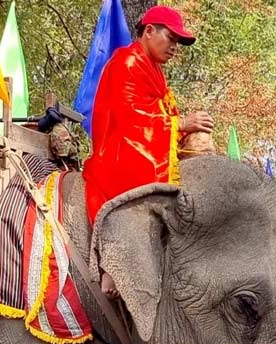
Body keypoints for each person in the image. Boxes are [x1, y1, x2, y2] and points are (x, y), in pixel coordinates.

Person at [83, 6, 214, 298]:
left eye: (179, 42)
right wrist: (182, 123)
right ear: (150, 30)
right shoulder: (126, 63)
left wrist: (188, 133)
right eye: (171, 38)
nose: (175, 47)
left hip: (143, 148)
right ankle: (113, 265)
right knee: (140, 201)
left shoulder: (153, 71)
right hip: (119, 153)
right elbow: (130, 124)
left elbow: (159, 114)